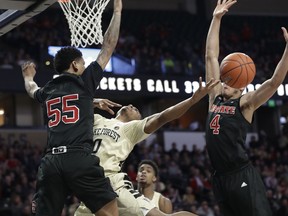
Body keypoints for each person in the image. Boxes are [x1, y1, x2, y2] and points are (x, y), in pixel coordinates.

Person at [21, 0, 123, 215]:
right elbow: (108, 45)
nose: (85, 66)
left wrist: (28, 76)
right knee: (111, 211)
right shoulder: (84, 82)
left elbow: (31, 89)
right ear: (76, 65)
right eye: (83, 63)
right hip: (77, 158)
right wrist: (117, 10)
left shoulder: (47, 90)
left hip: (50, 163)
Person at [75, 77, 219, 216]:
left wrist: (192, 100)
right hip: (88, 184)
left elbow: (163, 117)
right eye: (132, 106)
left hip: (111, 181)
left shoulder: (131, 129)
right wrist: (93, 102)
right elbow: (71, 107)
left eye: (136, 110)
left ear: (139, 120)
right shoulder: (98, 119)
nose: (132, 106)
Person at [205, 0, 288, 216]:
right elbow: (211, 56)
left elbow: (273, 82)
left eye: (231, 80)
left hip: (240, 174)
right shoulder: (214, 96)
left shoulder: (245, 103)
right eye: (225, 78)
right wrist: (216, 19)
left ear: (242, 85)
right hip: (219, 177)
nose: (225, 82)